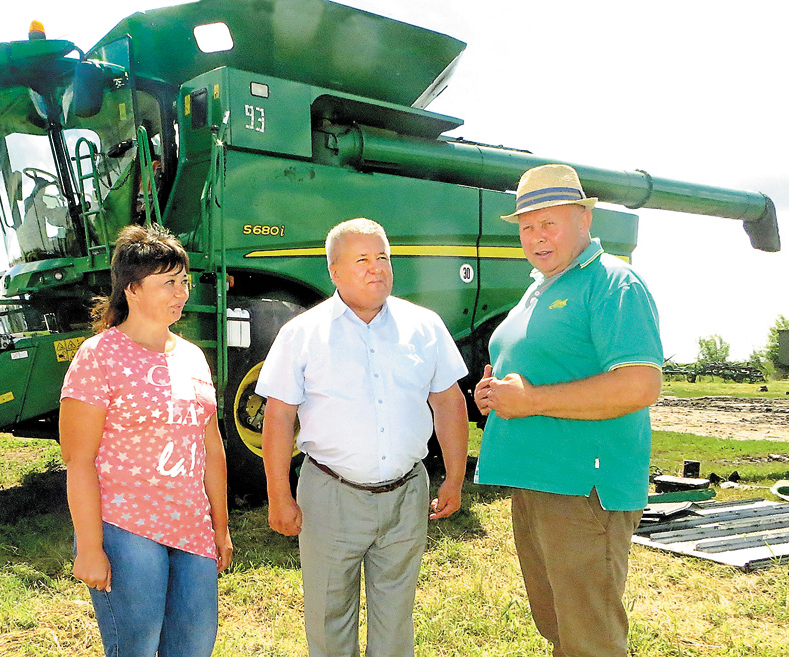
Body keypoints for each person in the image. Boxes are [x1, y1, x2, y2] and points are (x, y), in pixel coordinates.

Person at [473, 164, 663, 657]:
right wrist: (495, 394)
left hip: (582, 488)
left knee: (591, 638)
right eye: (527, 226)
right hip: (537, 480)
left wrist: (532, 400)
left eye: (549, 223)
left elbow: (640, 384)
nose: (536, 237)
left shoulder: (612, 283)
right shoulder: (541, 286)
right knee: (561, 627)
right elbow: (543, 368)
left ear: (584, 220)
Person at [256, 217, 469, 657]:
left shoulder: (424, 326)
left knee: (396, 619)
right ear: (334, 271)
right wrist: (279, 494)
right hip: (330, 497)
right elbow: (278, 418)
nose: (377, 268)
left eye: (383, 257)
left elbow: (449, 403)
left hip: (407, 496)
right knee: (330, 618)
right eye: (362, 260)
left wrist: (453, 478)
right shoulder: (302, 333)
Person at [59, 223, 232, 657]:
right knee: (135, 648)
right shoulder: (98, 356)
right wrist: (91, 547)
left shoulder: (192, 356)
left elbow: (210, 446)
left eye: (184, 281)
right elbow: (78, 461)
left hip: (192, 525)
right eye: (168, 282)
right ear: (132, 289)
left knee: (194, 647)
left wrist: (221, 526)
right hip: (126, 527)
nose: (182, 292)